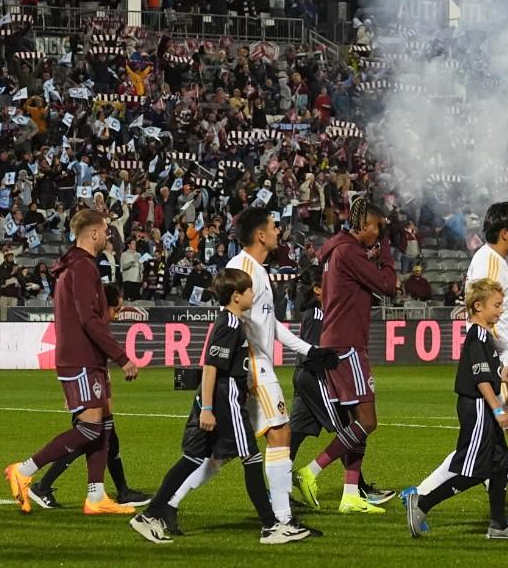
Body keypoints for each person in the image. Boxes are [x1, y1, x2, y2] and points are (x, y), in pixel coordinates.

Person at [162, 208, 319, 535]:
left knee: (223, 453)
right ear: (261, 234)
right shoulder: (241, 268)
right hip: (252, 368)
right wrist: (240, 376)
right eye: (274, 227)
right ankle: (282, 518)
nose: (279, 231)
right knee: (280, 433)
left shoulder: (257, 270)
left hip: (255, 366)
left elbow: (270, 325)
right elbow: (229, 326)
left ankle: (168, 505)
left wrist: (309, 350)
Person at [129, 268, 309, 545]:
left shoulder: (232, 321)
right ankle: (271, 526)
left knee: (191, 459)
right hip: (226, 398)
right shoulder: (231, 324)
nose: (252, 294)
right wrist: (208, 408)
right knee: (252, 460)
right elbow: (211, 367)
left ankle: (151, 515)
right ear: (236, 297)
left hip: (220, 398)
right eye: (248, 290)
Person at [404, 202, 508, 532]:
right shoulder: (490, 263)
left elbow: (504, 320)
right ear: (506, 232)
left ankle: (430, 496)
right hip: (502, 369)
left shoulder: (494, 260)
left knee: (502, 443)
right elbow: (489, 319)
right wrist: (506, 365)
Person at [4, 209, 140, 515]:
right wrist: (121, 357)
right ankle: (24, 470)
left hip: (85, 358)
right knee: (91, 428)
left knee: (104, 424)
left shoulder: (75, 265)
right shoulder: (83, 266)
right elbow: (88, 319)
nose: (109, 235)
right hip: (81, 357)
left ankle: (96, 496)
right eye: (106, 230)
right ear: (93, 233)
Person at [404, 278, 508, 540]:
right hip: (478, 406)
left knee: (500, 464)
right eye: (496, 305)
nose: (500, 311)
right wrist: (498, 410)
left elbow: (489, 372)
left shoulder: (486, 336)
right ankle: (422, 503)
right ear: (478, 306)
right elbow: (481, 379)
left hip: (483, 405)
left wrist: (503, 373)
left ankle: (498, 524)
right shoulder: (478, 335)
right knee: (476, 469)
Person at [295, 197, 398, 514]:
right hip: (348, 344)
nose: (379, 235)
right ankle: (311, 471)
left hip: (340, 341)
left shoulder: (336, 250)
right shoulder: (349, 251)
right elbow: (389, 285)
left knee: (356, 422)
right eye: (377, 228)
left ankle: (351, 495)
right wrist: (387, 254)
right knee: (367, 421)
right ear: (365, 224)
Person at [28, 284, 151, 509]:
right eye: (116, 309)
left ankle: (121, 491)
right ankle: (40, 483)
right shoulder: (91, 326)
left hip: (94, 386)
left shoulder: (97, 325)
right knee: (89, 439)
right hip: (88, 389)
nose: (117, 315)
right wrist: (76, 393)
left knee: (107, 439)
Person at [286, 281, 393, 506]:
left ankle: (279, 492)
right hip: (317, 378)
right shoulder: (317, 313)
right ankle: (356, 490)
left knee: (294, 434)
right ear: (316, 288)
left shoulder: (321, 311)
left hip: (306, 376)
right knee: (351, 429)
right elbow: (312, 350)